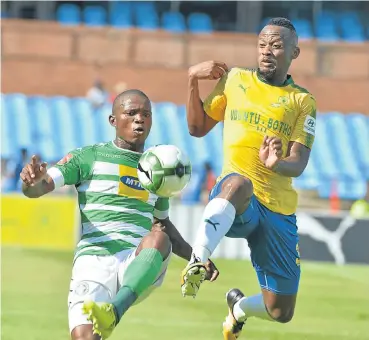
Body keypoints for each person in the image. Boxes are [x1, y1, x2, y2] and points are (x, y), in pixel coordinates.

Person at [20, 89, 219, 340]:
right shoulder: (89, 157)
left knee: (158, 236)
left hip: (136, 260)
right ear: (113, 120)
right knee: (85, 337)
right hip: (93, 260)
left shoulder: (159, 168)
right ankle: (108, 315)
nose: (139, 119)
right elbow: (40, 187)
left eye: (146, 114)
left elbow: (163, 225)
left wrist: (196, 256)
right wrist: (31, 182)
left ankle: (114, 310)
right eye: (131, 113)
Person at [180, 18, 317, 339]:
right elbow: (197, 128)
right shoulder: (234, 80)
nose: (267, 51)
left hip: (277, 210)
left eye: (276, 45)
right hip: (239, 201)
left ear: (294, 53)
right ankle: (197, 260)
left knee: (280, 311)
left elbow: (298, 163)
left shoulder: (302, 101)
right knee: (238, 182)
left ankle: (238, 309)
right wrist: (191, 80)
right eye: (262, 45)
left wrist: (277, 163)